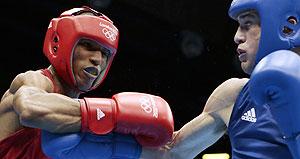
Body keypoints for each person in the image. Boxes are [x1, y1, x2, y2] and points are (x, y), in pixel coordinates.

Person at [0, 6, 174, 159]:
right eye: (88, 46)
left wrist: (203, 123)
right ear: (58, 44)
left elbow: (169, 154)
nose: (98, 59)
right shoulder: (34, 81)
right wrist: (112, 114)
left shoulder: (83, 122)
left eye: (105, 53)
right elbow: (30, 110)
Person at [140, 0, 300, 158]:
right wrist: (118, 143)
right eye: (238, 26)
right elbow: (171, 153)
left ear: (288, 28)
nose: (237, 37)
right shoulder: (235, 94)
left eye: (248, 24)